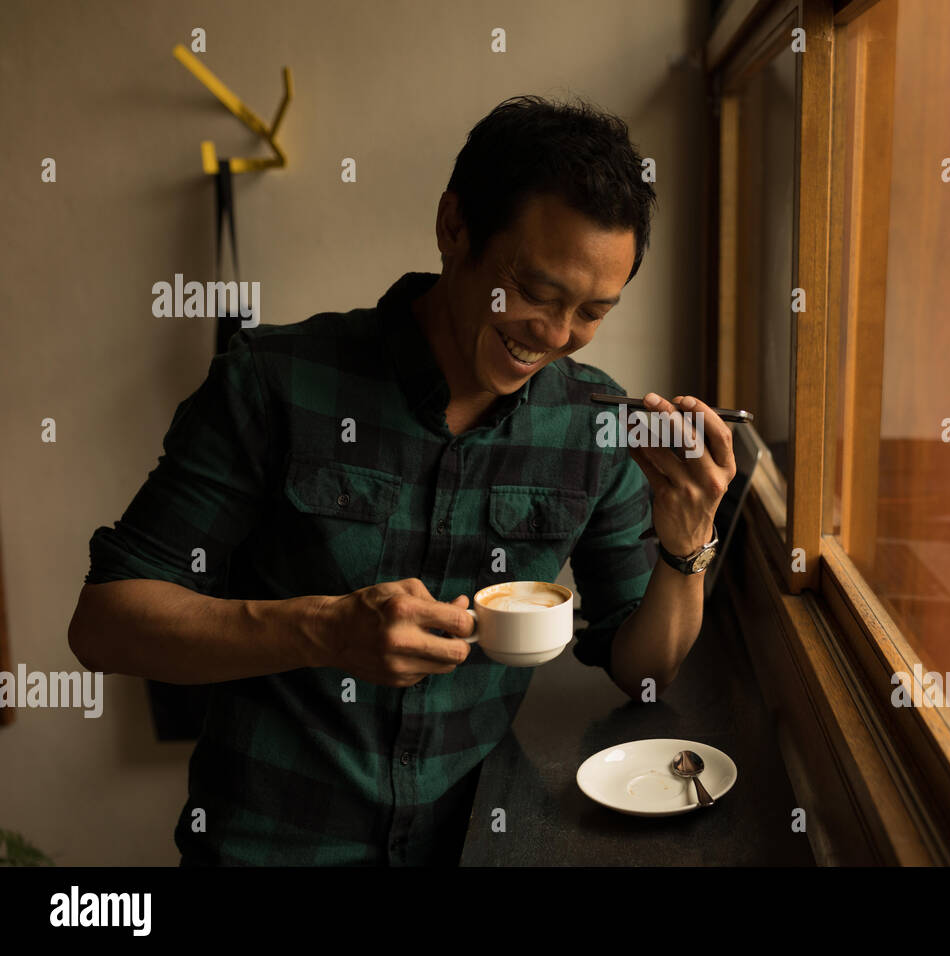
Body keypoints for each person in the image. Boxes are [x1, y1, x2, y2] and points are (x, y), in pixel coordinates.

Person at [67, 95, 737, 865]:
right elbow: (106, 622)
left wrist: (687, 542)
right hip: (268, 845)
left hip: (472, 843)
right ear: (454, 226)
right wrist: (323, 628)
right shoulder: (276, 383)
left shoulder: (592, 421)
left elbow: (640, 668)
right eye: (533, 292)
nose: (552, 336)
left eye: (591, 311)